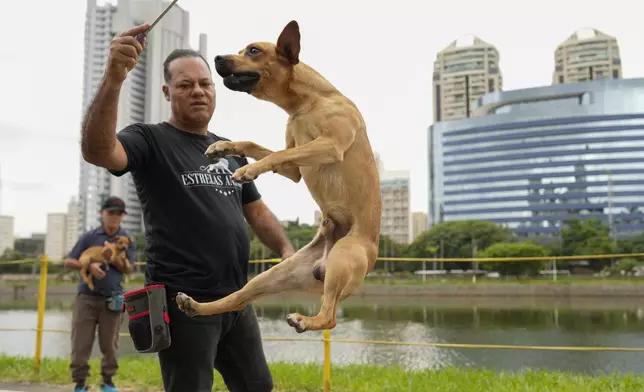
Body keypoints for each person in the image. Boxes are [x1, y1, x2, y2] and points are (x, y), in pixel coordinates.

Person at [80, 23, 295, 392]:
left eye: (205, 84)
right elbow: (99, 151)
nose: (198, 91)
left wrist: (288, 250)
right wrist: (114, 80)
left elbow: (256, 211)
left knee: (258, 385)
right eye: (185, 85)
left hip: (237, 298)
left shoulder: (228, 148)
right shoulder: (149, 139)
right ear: (167, 91)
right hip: (184, 303)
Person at [64, 195, 136, 392]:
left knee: (110, 344)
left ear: (123, 216)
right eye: (110, 212)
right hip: (86, 297)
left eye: (118, 214)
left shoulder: (127, 240)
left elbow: (129, 269)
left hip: (113, 298)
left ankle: (108, 382)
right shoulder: (89, 237)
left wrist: (112, 258)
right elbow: (69, 261)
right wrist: (90, 264)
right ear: (102, 214)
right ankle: (80, 383)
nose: (114, 217)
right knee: (81, 343)